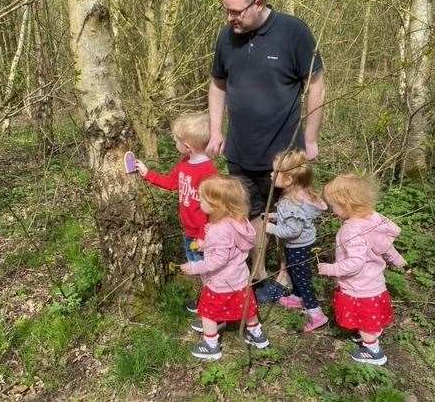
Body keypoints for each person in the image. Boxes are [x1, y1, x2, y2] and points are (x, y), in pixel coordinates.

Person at [205, 0, 326, 299]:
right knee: (251, 212)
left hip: (285, 153)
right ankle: (258, 276)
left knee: (291, 213)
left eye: (236, 11)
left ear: (258, 3)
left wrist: (311, 138)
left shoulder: (293, 32)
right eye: (226, 10)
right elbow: (217, 85)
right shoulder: (226, 37)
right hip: (241, 148)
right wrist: (216, 130)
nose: (230, 18)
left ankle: (289, 277)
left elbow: (315, 85)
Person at [319, 174, 407, 365]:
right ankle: (369, 333)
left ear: (347, 204)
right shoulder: (373, 219)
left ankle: (373, 351)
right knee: (369, 316)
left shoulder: (351, 229)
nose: (332, 210)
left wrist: (330, 269)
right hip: (375, 282)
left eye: (334, 206)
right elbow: (385, 246)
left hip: (360, 285)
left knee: (366, 318)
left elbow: (355, 263)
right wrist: (398, 260)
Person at [135, 112, 218, 312]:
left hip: (203, 234)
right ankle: (207, 300)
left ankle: (213, 306)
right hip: (188, 231)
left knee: (207, 269)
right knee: (198, 267)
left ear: (187, 146)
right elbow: (172, 183)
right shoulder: (184, 163)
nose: (174, 143)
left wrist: (206, 234)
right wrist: (148, 175)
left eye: (176, 140)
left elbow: (216, 207)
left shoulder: (208, 171)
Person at [181, 175, 269, 360]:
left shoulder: (219, 230)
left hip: (221, 281)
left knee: (207, 311)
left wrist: (195, 267)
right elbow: (230, 249)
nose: (199, 200)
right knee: (247, 307)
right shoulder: (238, 222)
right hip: (240, 278)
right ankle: (257, 335)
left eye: (203, 198)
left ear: (218, 205)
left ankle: (211, 344)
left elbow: (217, 261)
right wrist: (208, 245)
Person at [264, 150, 328, 331]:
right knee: (296, 272)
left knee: (302, 278)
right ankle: (298, 297)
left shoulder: (289, 202)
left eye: (275, 172)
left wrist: (270, 228)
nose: (271, 174)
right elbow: (296, 218)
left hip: (297, 245)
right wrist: (276, 216)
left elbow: (293, 230)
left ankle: (316, 314)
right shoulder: (300, 195)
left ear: (289, 180)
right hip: (305, 243)